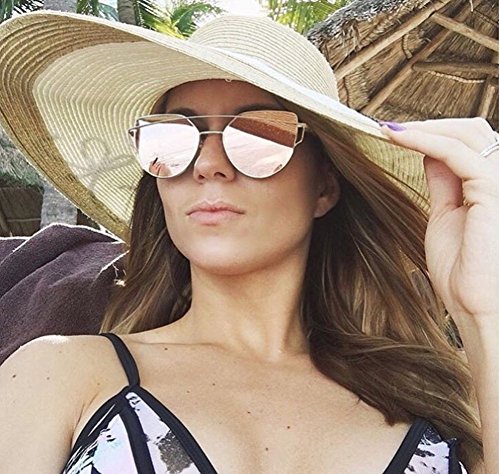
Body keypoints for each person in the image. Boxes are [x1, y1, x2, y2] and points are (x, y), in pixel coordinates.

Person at [0, 10, 497, 474]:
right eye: (174, 137)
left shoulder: (447, 409)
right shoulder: (60, 373)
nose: (207, 163)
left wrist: (483, 312)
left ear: (324, 187)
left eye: (258, 135)